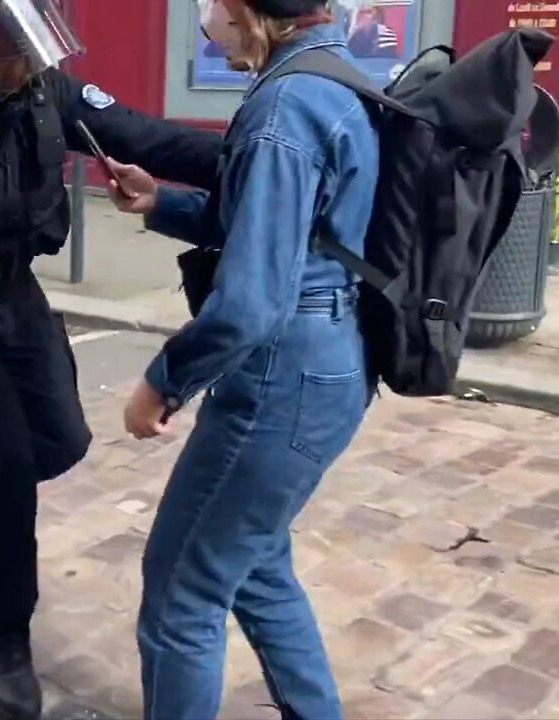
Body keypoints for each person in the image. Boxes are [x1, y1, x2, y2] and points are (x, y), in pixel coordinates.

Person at [0, 1, 224, 717]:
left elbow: (148, 137)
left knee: (60, 442)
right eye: (0, 46)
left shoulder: (46, 92)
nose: (21, 59)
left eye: (25, 40)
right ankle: (2, 636)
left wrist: (261, 152)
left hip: (15, 292)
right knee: (5, 476)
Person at [105, 0, 379, 718]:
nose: (203, 21)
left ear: (251, 10)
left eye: (214, 5)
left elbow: (253, 301)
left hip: (281, 374)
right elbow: (296, 231)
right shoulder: (331, 78)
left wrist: (163, 383)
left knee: (180, 596)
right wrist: (161, 201)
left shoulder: (285, 107)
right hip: (331, 359)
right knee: (255, 565)